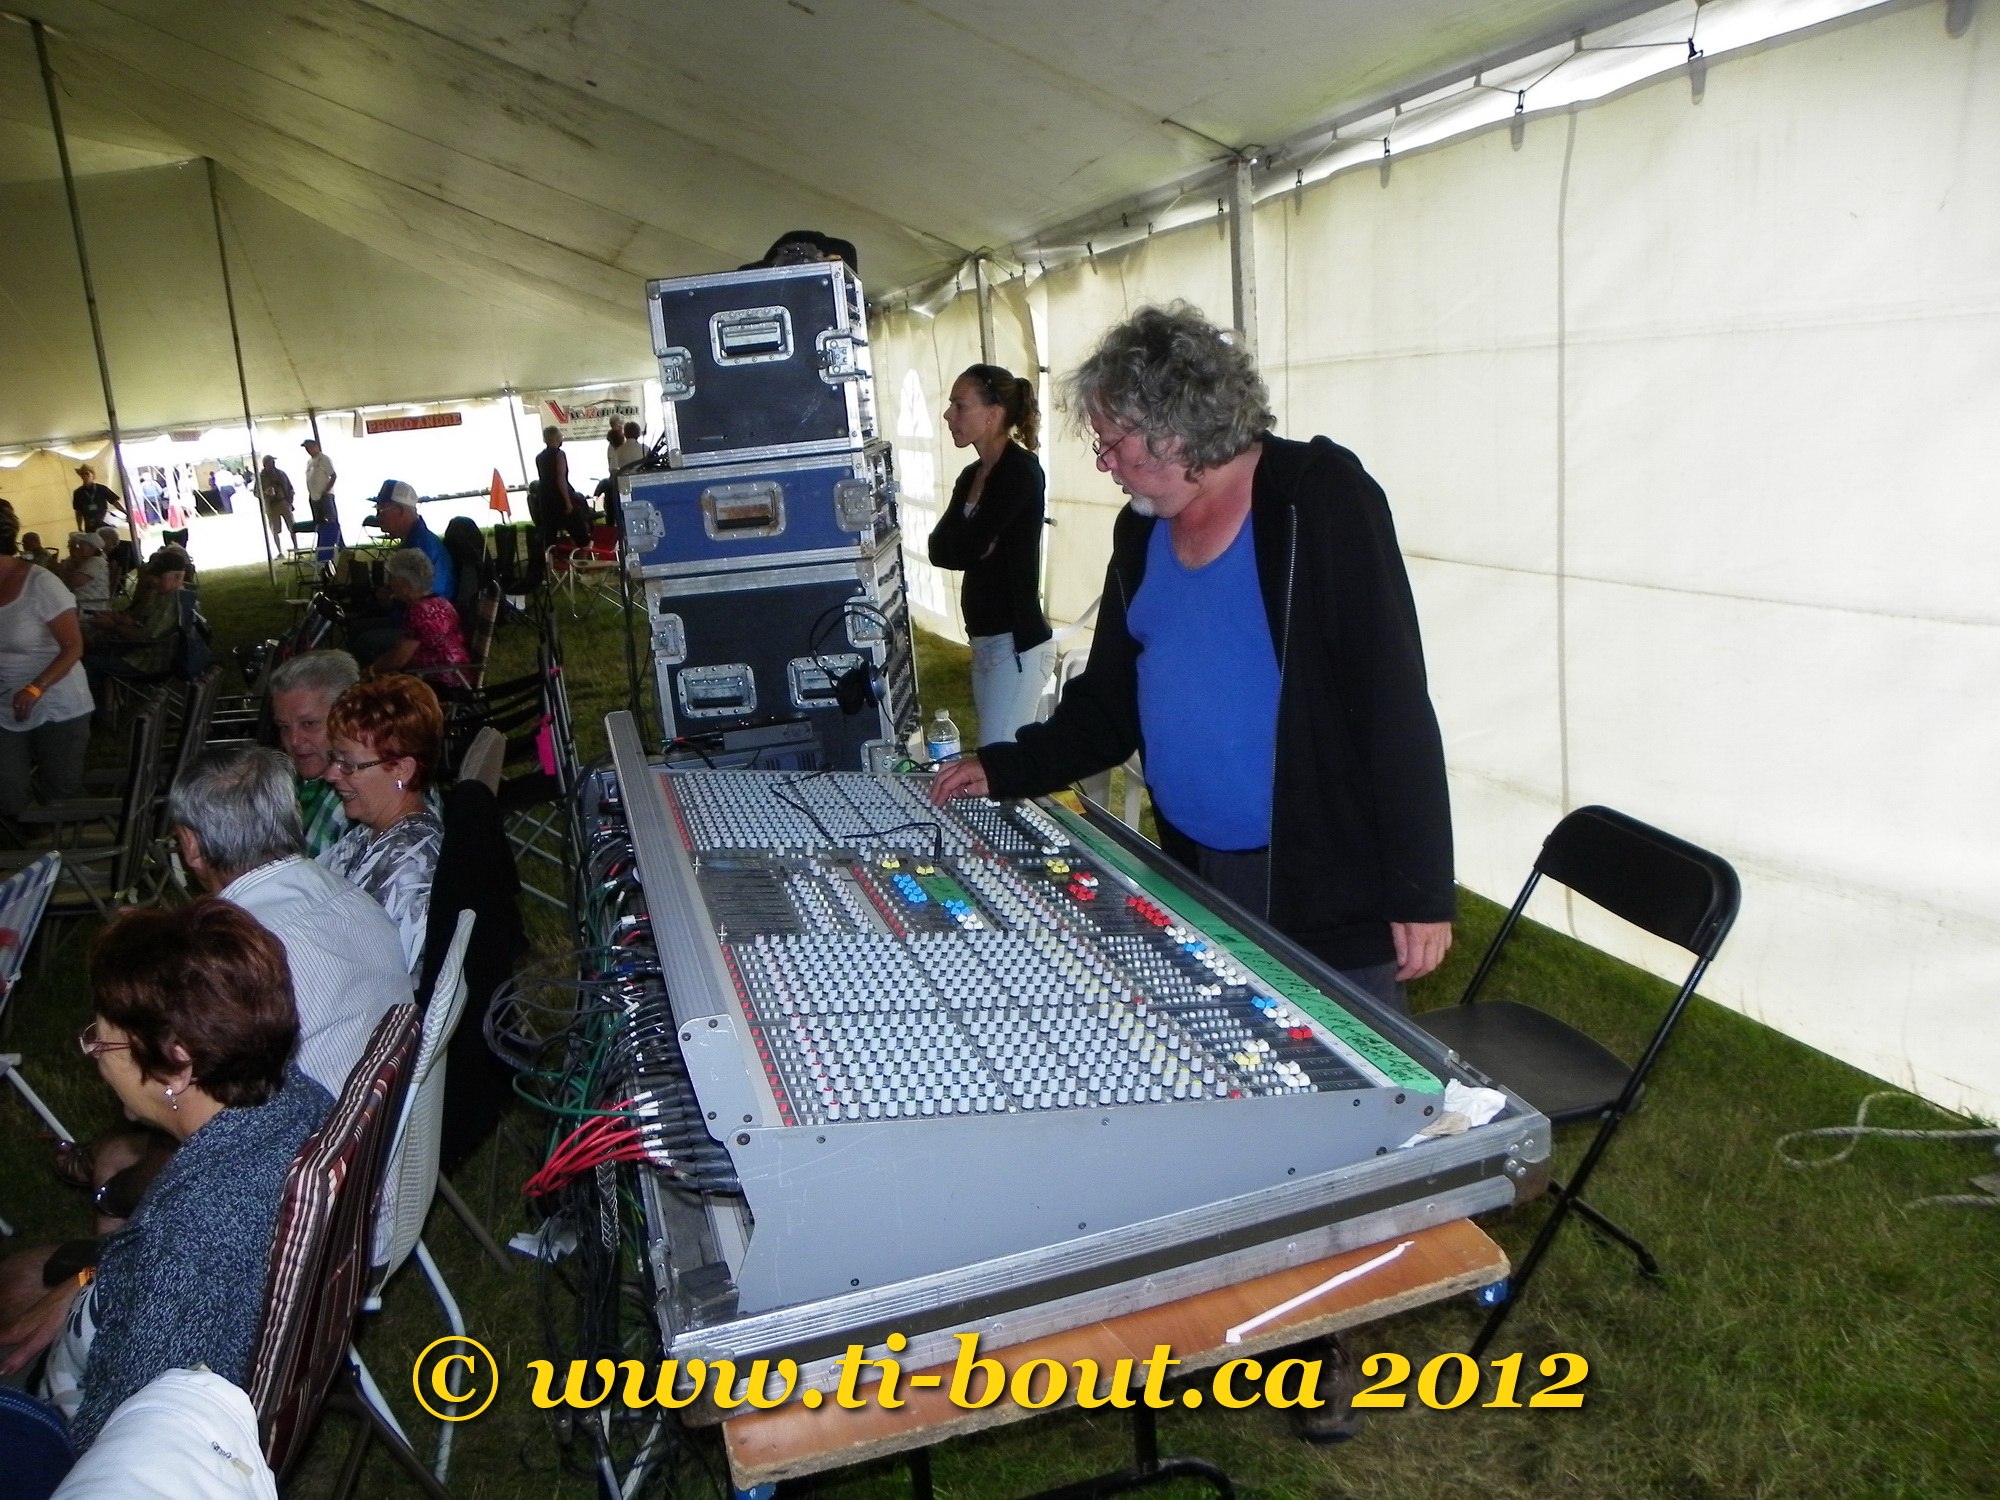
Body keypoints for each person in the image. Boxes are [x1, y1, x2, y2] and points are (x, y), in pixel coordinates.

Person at [932, 303, 1454, 1007]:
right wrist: (1005, 765)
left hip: (1320, 888)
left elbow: (1391, 698)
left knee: (1332, 1067)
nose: (1103, 462)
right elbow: (1111, 701)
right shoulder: (1141, 530)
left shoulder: (1317, 501)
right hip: (1192, 869)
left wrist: (1421, 890)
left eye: (1112, 442)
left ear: (1174, 429)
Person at [0, 902, 331, 1449]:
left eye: (102, 1041)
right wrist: (92, 1280)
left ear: (176, 1063)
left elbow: (125, 1440)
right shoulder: (295, 1097)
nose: (95, 1056)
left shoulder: (189, 1239)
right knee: (18, 1278)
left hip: (78, 1429)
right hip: (114, 1307)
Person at [169, 746, 411, 1094]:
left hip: (314, 1123)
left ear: (190, 844)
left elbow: (196, 1090)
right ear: (293, 813)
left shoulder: (232, 954)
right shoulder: (358, 900)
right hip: (381, 1113)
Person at [928, 364, 1054, 746]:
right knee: (1000, 758)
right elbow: (938, 548)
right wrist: (972, 545)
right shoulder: (972, 475)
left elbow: (965, 545)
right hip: (984, 641)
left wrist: (969, 544)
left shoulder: (1020, 471)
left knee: (998, 759)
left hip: (1015, 644)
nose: (948, 415)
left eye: (959, 405)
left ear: (992, 414)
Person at [318, 675, 446, 972]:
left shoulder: (409, 866)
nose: (331, 774)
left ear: (401, 769)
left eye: (348, 764)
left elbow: (375, 978)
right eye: (334, 759)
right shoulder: (371, 832)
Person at [0, 500, 94, 818]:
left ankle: (72, 841)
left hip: (57, 702)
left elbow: (73, 646)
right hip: (5, 706)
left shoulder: (40, 583)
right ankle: (37, 836)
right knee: (9, 793)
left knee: (61, 793)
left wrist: (36, 687)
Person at [268, 649, 361, 857]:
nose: (294, 740)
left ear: (347, 717)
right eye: (284, 727)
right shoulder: (287, 782)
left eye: (309, 724)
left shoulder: (363, 796)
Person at [81, 552, 185, 709]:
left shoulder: (171, 602)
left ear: (178, 577)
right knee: (98, 647)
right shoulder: (172, 595)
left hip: (149, 664)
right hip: (154, 656)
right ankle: (113, 703)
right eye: (153, 575)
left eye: (160, 577)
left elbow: (144, 638)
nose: (153, 580)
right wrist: (118, 619)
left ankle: (98, 713)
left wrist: (112, 626)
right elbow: (142, 625)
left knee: (91, 662)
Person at [362, 549, 469, 688]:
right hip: (458, 674)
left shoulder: (418, 612)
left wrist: (369, 671)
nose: (390, 584)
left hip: (439, 680)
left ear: (405, 585)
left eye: (392, 578)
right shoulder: (441, 601)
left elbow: (398, 660)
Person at [531, 426, 591, 547]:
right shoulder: (559, 454)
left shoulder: (539, 457)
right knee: (578, 527)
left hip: (545, 496)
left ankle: (550, 555)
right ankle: (584, 551)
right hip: (559, 495)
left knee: (550, 532)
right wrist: (568, 502)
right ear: (557, 438)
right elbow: (560, 479)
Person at [55, 534, 111, 617]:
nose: (78, 548)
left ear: (92, 547)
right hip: (75, 603)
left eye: (81, 545)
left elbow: (73, 583)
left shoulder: (96, 562)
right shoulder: (82, 561)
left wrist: (57, 568)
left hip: (89, 606)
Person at [256, 455, 296, 548]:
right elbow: (256, 492)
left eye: (273, 461)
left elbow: (290, 487)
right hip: (271, 506)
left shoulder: (281, 473)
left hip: (284, 502)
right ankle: (279, 550)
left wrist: (289, 500)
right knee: (275, 530)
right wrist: (265, 492)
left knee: (292, 527)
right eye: (270, 462)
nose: (273, 463)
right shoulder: (261, 477)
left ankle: (296, 547)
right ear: (265, 464)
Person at [69, 467, 123, 534]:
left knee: (107, 538)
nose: (85, 476)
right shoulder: (78, 493)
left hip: (104, 524)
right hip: (90, 526)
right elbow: (78, 511)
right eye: (82, 474)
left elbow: (115, 502)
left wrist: (126, 513)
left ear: (92, 475)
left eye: (87, 473)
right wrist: (79, 527)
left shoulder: (102, 489)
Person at [301, 439, 335, 527]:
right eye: (306, 448)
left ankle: (335, 536)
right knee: (319, 523)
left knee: (331, 521)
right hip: (313, 496)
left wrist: (326, 491)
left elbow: (333, 476)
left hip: (325, 496)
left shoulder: (323, 458)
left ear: (316, 446)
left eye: (310, 447)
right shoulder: (309, 461)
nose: (308, 450)